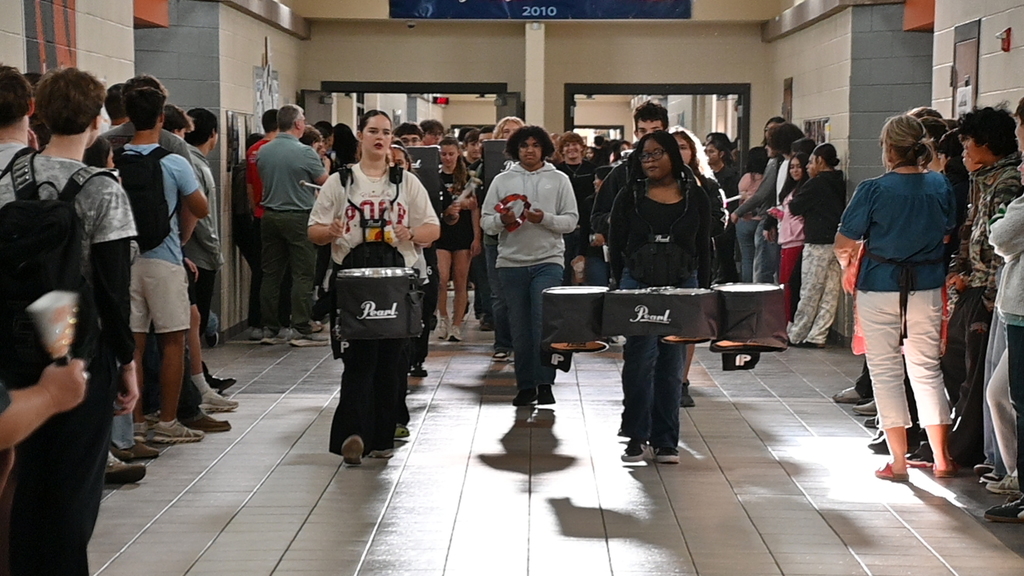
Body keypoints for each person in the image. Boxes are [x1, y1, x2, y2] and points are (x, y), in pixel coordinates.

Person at [0, 66, 139, 575]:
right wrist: (126, 361)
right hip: (78, 351)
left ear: (39, 112)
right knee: (73, 485)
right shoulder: (102, 189)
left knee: (24, 473)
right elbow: (112, 289)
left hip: (14, 345)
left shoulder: (9, 180)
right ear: (97, 121)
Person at [308, 110, 440, 466]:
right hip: (354, 279)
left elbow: (432, 229)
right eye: (373, 131)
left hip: (396, 278)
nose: (380, 138)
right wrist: (330, 231)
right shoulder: (340, 182)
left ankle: (382, 436)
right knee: (358, 359)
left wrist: (411, 233)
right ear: (361, 135)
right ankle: (353, 433)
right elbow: (314, 231)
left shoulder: (405, 182)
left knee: (392, 361)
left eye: (385, 132)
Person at [834, 114, 957, 483]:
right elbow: (948, 231)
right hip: (927, 285)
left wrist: (848, 264)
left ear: (888, 149)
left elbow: (844, 241)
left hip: (879, 285)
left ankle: (899, 462)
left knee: (886, 372)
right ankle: (942, 458)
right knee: (927, 370)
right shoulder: (940, 184)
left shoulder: (873, 189)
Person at [609, 131, 711, 464]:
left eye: (657, 153)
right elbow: (616, 242)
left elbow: (703, 245)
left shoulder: (694, 194)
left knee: (671, 362)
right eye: (644, 155)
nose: (650, 160)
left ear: (673, 156)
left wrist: (703, 290)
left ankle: (666, 440)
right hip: (637, 282)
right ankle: (636, 436)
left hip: (682, 283)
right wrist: (619, 285)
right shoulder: (629, 194)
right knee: (639, 359)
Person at [117, 85, 210, 445]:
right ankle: (168, 421)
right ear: (161, 118)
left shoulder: (114, 161)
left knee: (134, 346)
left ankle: (136, 423)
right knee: (173, 342)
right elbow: (200, 207)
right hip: (165, 259)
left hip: (126, 261)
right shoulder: (173, 162)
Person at [945, 107, 1023, 468]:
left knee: (984, 380)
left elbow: (999, 244)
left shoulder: (1007, 181)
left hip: (991, 292)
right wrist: (958, 271)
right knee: (958, 366)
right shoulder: (982, 178)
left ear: (987, 144)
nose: (964, 151)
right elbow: (970, 231)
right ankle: (972, 447)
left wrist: (988, 295)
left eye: (969, 143)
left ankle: (981, 452)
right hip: (972, 286)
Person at [481, 126, 578, 406]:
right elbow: (486, 222)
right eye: (524, 145)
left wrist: (544, 218)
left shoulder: (559, 179)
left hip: (548, 261)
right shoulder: (502, 180)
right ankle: (525, 386)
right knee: (520, 329)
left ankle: (545, 383)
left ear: (544, 149)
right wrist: (502, 220)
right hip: (511, 264)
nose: (530, 150)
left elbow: (571, 221)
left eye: (536, 145)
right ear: (516, 149)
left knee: (542, 322)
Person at [256, 104, 330, 346]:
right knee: (303, 274)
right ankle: (301, 327)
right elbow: (325, 183)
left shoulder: (264, 151)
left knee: (271, 274)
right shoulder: (305, 152)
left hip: (270, 216)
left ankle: (270, 328)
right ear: (298, 124)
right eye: (304, 120)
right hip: (299, 217)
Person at [983, 96, 1024, 523]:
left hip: (1021, 305)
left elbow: (1002, 235)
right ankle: (1016, 475)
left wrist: (1001, 223)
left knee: (1012, 395)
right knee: (1002, 393)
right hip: (1016, 305)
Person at [671, 127, 725, 407]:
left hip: (693, 259)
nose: (678, 153)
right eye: (673, 147)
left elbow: (718, 221)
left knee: (688, 322)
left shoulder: (706, 184)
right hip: (656, 262)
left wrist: (693, 228)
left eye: (683, 147)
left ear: (692, 152)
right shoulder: (649, 182)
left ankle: (681, 380)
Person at [788, 143, 845, 347]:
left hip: (817, 243)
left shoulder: (816, 183)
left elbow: (795, 207)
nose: (808, 167)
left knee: (810, 290)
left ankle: (797, 334)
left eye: (811, 162)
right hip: (836, 242)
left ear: (820, 161)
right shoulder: (841, 181)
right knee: (831, 291)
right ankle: (818, 335)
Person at [591, 102, 671, 246]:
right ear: (636, 134)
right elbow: (597, 217)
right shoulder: (622, 172)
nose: (649, 137)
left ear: (666, 132)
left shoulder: (681, 172)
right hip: (633, 251)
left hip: (675, 252)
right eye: (643, 131)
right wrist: (616, 218)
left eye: (656, 131)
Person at [483, 116, 525, 363]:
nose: (510, 135)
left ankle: (525, 342)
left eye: (515, 132)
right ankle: (503, 342)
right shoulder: (488, 165)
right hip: (495, 239)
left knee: (523, 296)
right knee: (499, 295)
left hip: (525, 238)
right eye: (506, 131)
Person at [433, 136, 480, 342]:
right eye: (444, 154)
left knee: (461, 281)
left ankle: (457, 324)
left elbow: (475, 209)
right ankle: (443, 318)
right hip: (442, 234)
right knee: (442, 279)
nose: (447, 158)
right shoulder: (435, 177)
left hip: (463, 234)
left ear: (458, 153)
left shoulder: (468, 177)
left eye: (451, 154)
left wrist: (477, 237)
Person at [242, 110, 280, 340]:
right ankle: (277, 321)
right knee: (279, 272)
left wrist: (255, 207)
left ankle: (256, 322)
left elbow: (249, 186)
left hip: (258, 213)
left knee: (259, 270)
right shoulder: (277, 151)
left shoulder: (252, 151)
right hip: (277, 212)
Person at [771, 151, 809, 321]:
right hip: (786, 241)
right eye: (792, 167)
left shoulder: (804, 190)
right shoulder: (791, 190)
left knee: (790, 285)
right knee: (784, 283)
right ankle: (786, 319)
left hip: (797, 241)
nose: (795, 170)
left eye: (799, 167)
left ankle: (790, 320)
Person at [556, 132, 597, 285]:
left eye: (574, 144)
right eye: (567, 145)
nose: (571, 148)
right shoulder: (556, 171)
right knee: (563, 271)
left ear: (581, 148)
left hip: (587, 226)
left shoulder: (592, 169)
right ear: (562, 150)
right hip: (564, 228)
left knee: (585, 272)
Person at [705, 133, 740, 283]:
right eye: (706, 152)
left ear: (721, 154)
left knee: (726, 254)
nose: (708, 155)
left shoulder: (731, 175)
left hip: (727, 219)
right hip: (711, 218)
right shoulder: (705, 176)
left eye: (711, 152)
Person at [735, 147, 769, 282]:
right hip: (762, 220)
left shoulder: (747, 177)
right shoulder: (768, 178)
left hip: (745, 220)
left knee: (747, 258)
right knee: (761, 259)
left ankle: (747, 286)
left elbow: (741, 196)